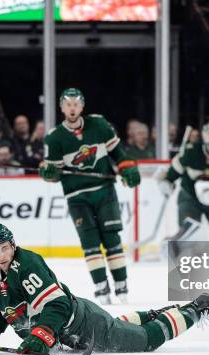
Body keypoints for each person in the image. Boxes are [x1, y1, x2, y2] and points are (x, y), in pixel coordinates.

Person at [0, 224, 209, 355]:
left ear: (13, 246)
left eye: (5, 248)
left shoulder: (27, 264)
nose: (1, 255)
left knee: (145, 340)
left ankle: (198, 307)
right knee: (117, 325)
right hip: (69, 332)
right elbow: (1, 311)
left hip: (82, 325)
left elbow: (58, 305)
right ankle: (163, 312)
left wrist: (42, 334)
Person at [39, 88, 140, 305]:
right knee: (90, 242)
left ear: (82, 106)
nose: (72, 108)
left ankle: (121, 286)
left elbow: (118, 153)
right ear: (62, 107)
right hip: (77, 197)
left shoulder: (100, 125)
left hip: (104, 190)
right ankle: (101, 287)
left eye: (76, 104)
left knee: (112, 238)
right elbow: (53, 174)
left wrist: (126, 166)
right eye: (68, 104)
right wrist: (48, 172)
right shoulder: (54, 138)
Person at [157, 120, 209, 248]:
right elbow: (173, 173)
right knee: (190, 230)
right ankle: (174, 248)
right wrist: (166, 181)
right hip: (189, 197)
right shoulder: (190, 152)